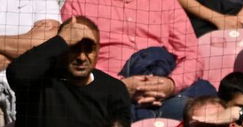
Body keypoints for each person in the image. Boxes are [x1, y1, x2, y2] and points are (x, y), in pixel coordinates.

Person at [60, 0, 206, 119]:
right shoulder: (78, 3)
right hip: (107, 95)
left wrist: (171, 84)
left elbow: (192, 55)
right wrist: (118, 86)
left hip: (166, 91)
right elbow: (69, 58)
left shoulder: (166, 3)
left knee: (203, 111)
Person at [7, 16, 132, 127]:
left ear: (98, 50)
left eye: (89, 48)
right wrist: (62, 39)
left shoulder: (114, 90)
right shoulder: (39, 82)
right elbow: (17, 75)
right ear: (61, 47)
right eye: (74, 47)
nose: (82, 57)